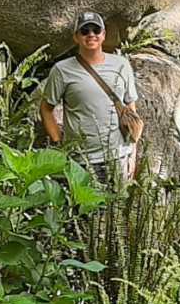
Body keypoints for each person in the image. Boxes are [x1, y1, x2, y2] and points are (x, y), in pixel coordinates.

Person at [40, 11, 139, 183]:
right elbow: (46, 108)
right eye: (85, 31)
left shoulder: (121, 65)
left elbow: (130, 108)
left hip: (119, 156)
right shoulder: (62, 70)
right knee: (84, 209)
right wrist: (58, 142)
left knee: (115, 208)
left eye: (96, 30)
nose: (91, 34)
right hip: (81, 161)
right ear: (76, 37)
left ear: (103, 35)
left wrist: (133, 153)